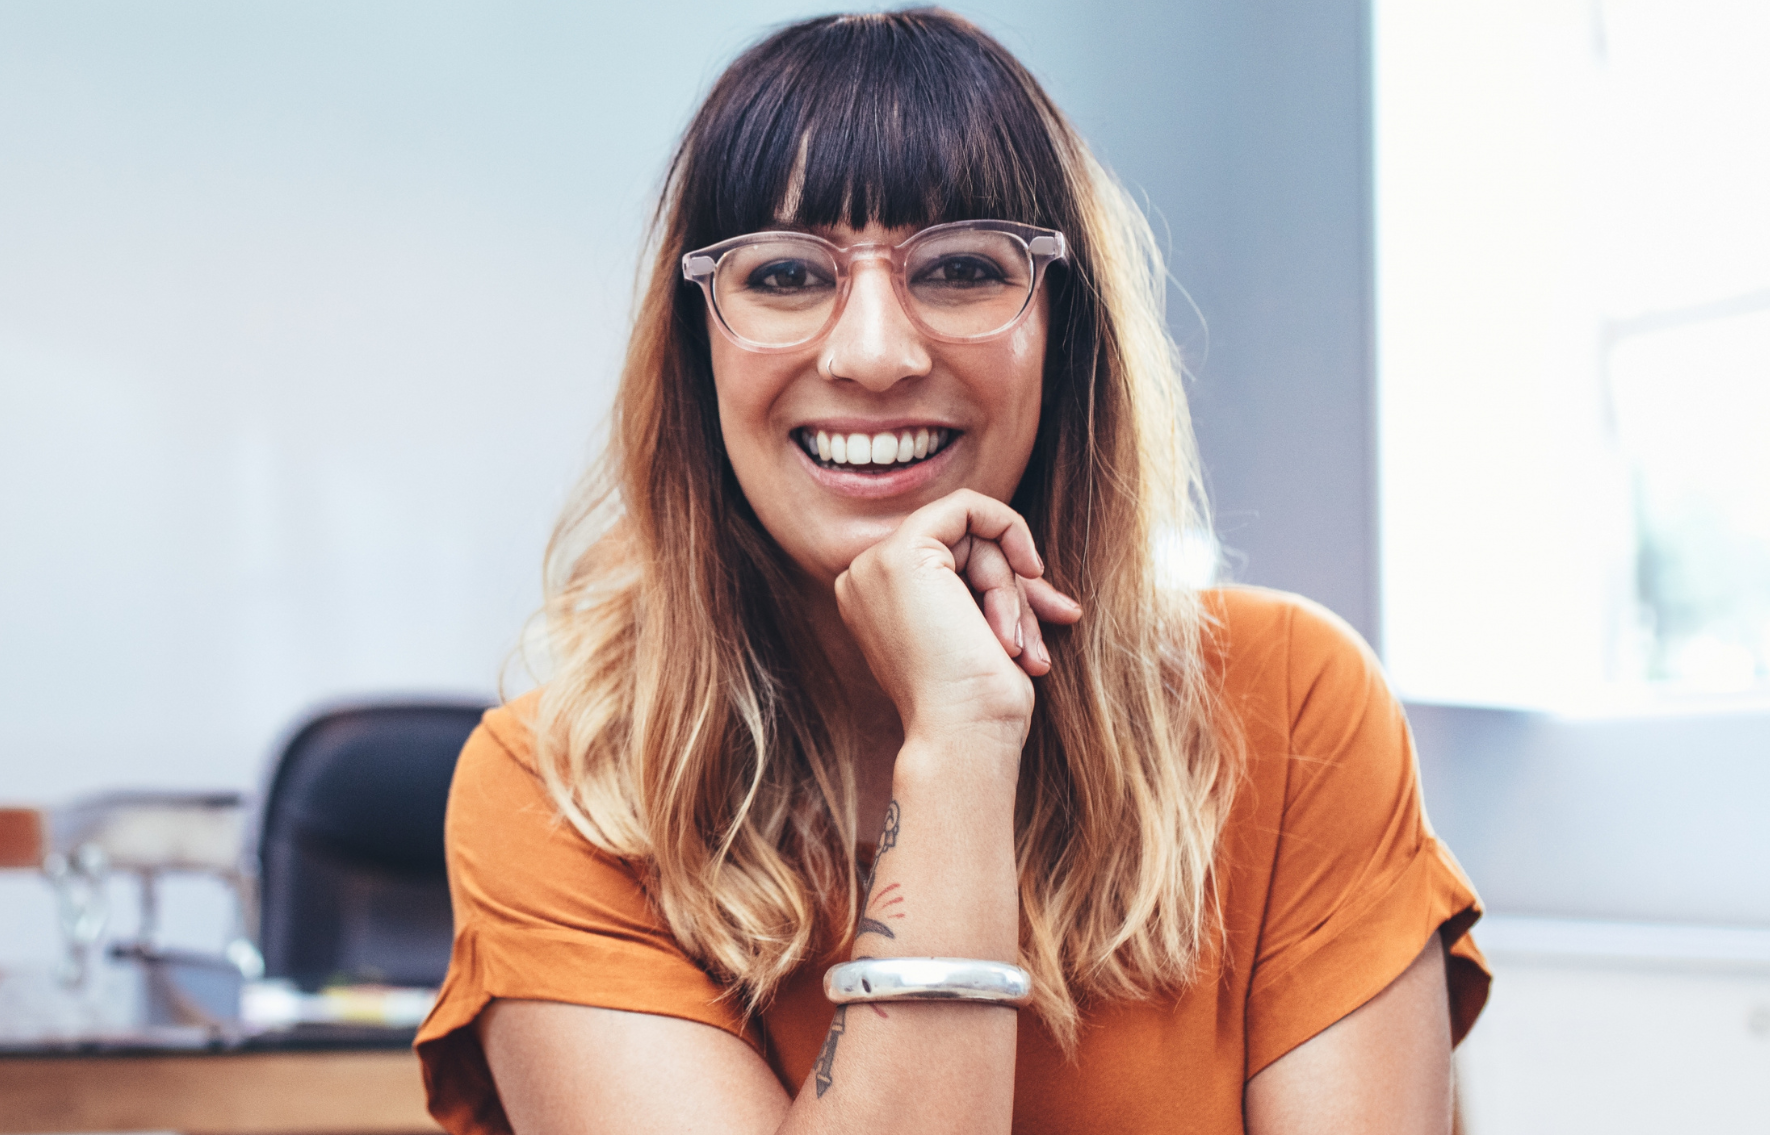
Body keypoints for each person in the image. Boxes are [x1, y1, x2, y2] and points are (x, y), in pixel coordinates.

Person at [414, 8, 1488, 1133]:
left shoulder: (1290, 703)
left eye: (964, 268)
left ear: (1062, 338)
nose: (874, 354)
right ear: (698, 353)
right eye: (784, 275)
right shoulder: (561, 789)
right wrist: (963, 744)